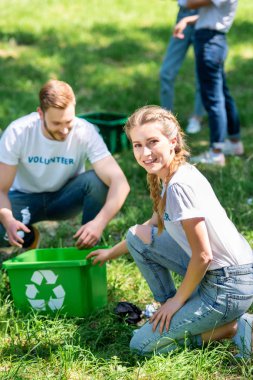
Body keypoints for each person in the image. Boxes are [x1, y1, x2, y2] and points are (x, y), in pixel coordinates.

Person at [87, 105, 253, 358]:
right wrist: (110, 253)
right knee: (136, 235)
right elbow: (147, 229)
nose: (145, 153)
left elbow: (203, 256)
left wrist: (177, 302)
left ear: (172, 141)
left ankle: (231, 327)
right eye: (137, 145)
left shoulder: (179, 187)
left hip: (229, 286)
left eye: (153, 142)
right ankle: (171, 313)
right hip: (225, 275)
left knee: (140, 346)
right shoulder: (171, 177)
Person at [0, 79, 130, 251]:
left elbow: (120, 183)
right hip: (23, 198)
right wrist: (8, 220)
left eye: (68, 122)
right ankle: (29, 237)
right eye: (56, 123)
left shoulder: (85, 131)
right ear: (40, 113)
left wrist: (99, 223)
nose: (64, 130)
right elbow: (1, 189)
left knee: (97, 181)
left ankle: (88, 245)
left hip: (64, 197)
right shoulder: (18, 132)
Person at [174, 0, 244, 166]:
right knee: (222, 94)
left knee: (213, 98)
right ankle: (234, 143)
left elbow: (191, 3)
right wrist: (187, 20)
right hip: (213, 41)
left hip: (210, 43)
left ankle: (216, 152)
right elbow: (210, 15)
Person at [160, 1, 205, 134]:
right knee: (165, 73)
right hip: (183, 15)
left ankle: (197, 116)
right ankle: (167, 119)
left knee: (202, 74)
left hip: (205, 17)